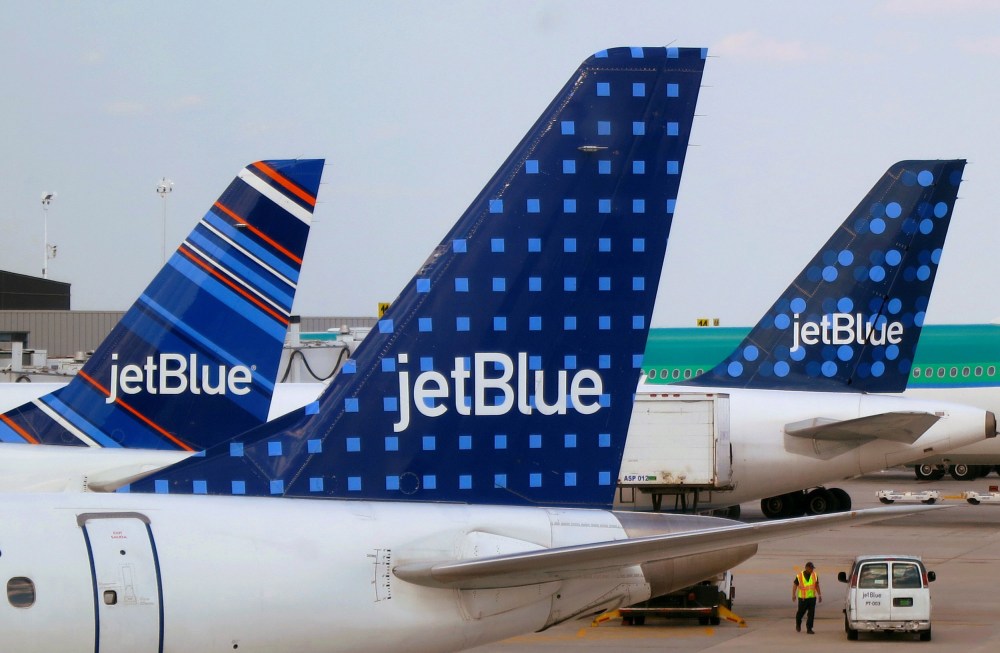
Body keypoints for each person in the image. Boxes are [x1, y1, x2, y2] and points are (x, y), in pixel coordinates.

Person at [793, 561, 822, 633]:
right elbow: (795, 585)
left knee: (811, 614)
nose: (812, 570)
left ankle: (809, 628)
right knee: (800, 613)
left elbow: (816, 585)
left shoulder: (815, 575)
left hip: (812, 598)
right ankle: (798, 624)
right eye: (810, 568)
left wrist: (819, 595)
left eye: (812, 568)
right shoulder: (799, 575)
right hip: (803, 598)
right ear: (806, 568)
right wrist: (793, 594)